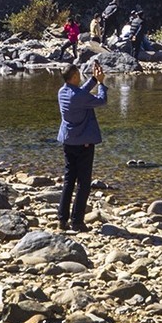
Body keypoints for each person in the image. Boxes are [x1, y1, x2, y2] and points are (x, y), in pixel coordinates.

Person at [56, 61, 107, 232]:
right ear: (75, 76)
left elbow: (79, 93)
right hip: (83, 143)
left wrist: (93, 79)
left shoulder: (62, 92)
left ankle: (62, 220)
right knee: (83, 183)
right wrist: (101, 84)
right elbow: (101, 101)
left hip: (68, 141)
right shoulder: (78, 97)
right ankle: (77, 221)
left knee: (69, 180)